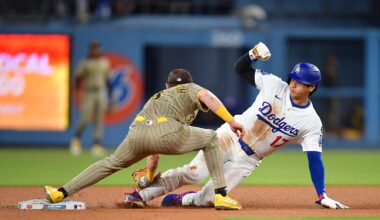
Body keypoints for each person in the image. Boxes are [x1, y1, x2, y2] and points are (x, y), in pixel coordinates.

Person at [127, 42, 349, 209]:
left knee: (208, 200)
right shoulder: (274, 85)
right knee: (193, 173)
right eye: (292, 79)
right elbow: (240, 69)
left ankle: (185, 199)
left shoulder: (311, 122)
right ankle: (141, 196)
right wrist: (252, 54)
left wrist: (322, 195)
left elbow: (314, 159)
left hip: (249, 159)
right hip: (230, 137)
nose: (292, 84)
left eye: (299, 82)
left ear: (311, 88)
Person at [45, 68, 246, 210]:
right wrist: (230, 121)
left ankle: (61, 192)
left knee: (110, 163)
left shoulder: (158, 96)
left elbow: (153, 146)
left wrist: (149, 176)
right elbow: (208, 97)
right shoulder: (191, 88)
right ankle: (221, 195)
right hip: (167, 132)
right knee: (211, 138)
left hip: (136, 133)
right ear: (188, 83)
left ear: (166, 85)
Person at [70, 41, 111, 157]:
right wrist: (76, 91)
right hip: (88, 92)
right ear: (90, 50)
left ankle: (96, 144)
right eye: (93, 48)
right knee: (85, 118)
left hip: (101, 91)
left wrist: (111, 96)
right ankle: (76, 140)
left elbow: (108, 80)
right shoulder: (85, 63)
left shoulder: (104, 62)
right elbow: (78, 78)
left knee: (99, 119)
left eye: (97, 48)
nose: (96, 51)